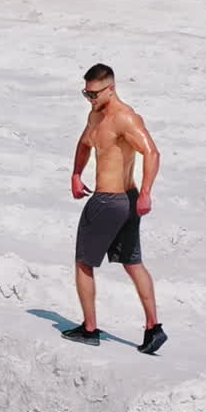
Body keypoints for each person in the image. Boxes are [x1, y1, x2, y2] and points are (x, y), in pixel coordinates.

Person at [63, 63, 167, 354]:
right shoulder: (96, 115)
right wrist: (75, 174)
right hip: (126, 201)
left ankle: (89, 328)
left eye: (94, 93)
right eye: (86, 93)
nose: (90, 98)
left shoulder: (125, 118)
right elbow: (84, 144)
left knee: (83, 263)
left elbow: (152, 152)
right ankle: (153, 329)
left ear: (111, 88)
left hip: (109, 201)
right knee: (132, 263)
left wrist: (146, 192)